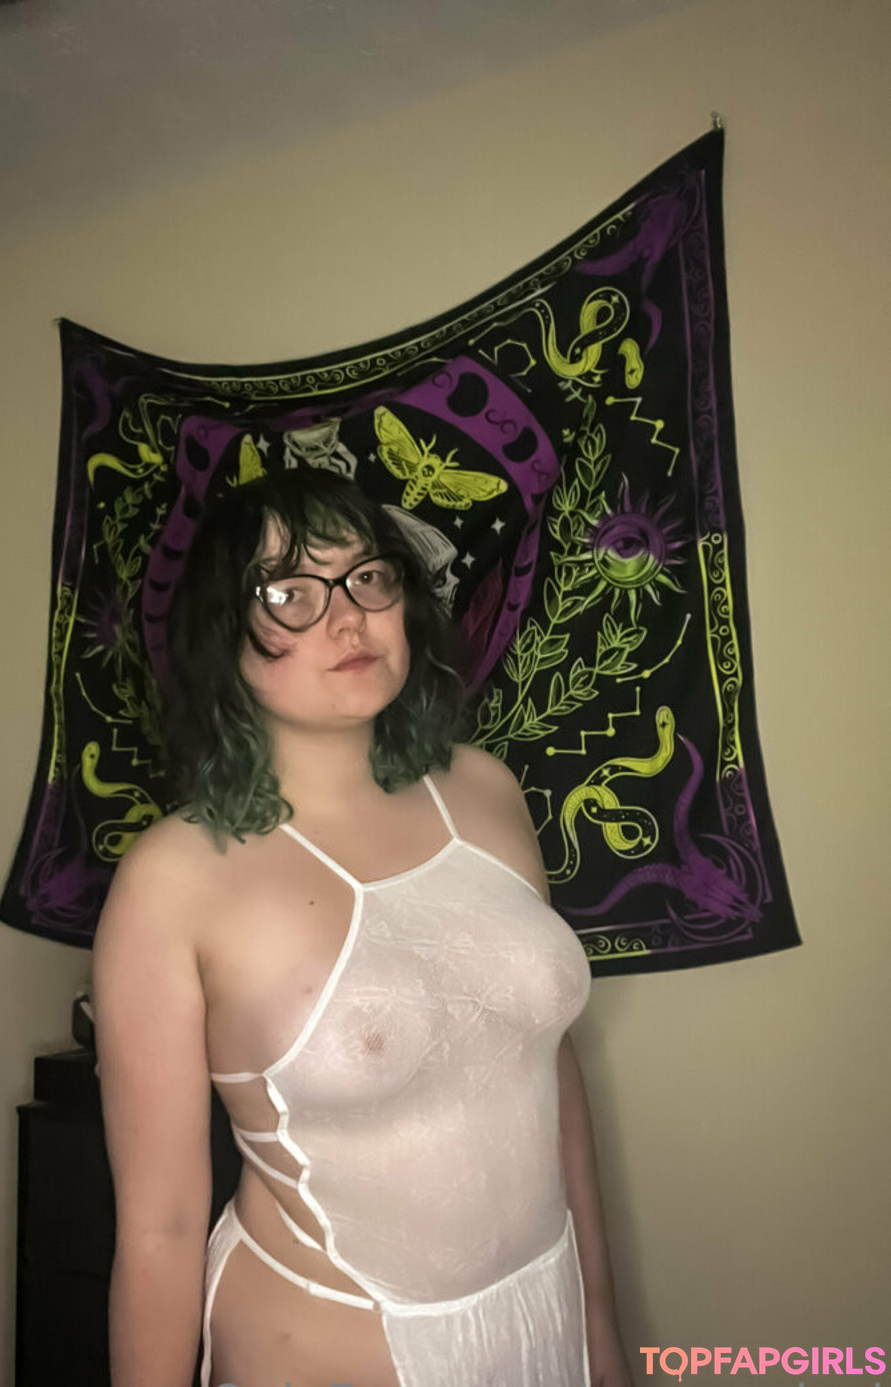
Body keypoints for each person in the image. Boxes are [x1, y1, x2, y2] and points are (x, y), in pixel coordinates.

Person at [93, 467, 633, 1387]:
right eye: (290, 593)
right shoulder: (172, 882)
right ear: (222, 634)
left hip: (542, 1318)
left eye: (368, 577)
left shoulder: (486, 791)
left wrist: (599, 1324)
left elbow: (547, 1074)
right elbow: (160, 1228)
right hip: (325, 1346)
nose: (349, 619)